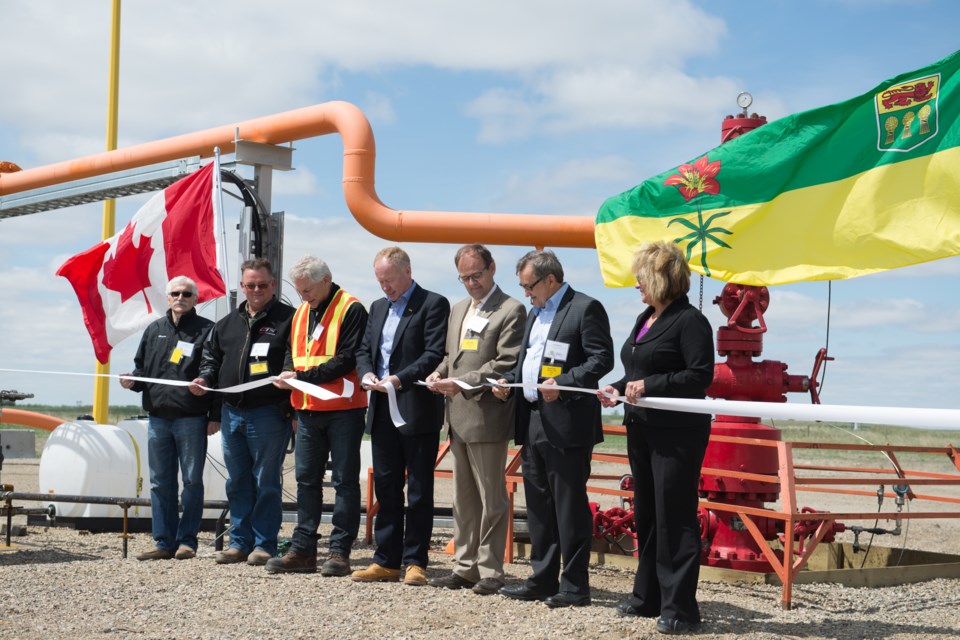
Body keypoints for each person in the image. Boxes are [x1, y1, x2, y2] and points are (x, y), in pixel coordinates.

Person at [598, 241, 714, 635]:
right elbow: (635, 368)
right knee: (646, 514)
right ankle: (646, 597)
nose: (637, 286)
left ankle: (680, 608)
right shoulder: (646, 317)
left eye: (642, 279)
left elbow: (699, 377)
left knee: (675, 518)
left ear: (663, 279)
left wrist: (649, 385)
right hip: (642, 428)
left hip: (676, 435)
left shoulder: (691, 321)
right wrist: (616, 388)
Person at [492, 249, 613, 608]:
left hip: (566, 423)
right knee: (539, 507)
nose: (525, 293)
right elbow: (528, 363)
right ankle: (542, 579)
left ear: (550, 280)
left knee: (568, 507)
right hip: (531, 418)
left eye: (529, 286)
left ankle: (575, 587)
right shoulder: (535, 313)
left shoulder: (585, 308)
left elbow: (601, 358)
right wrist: (507, 381)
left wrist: (564, 381)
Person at [425, 244, 525, 595]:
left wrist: (461, 383)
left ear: (492, 268)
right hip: (457, 417)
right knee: (463, 498)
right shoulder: (458, 310)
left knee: (491, 498)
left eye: (477, 275)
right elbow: (451, 356)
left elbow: (504, 362)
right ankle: (464, 566)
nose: (471, 283)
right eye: (464, 278)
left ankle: (491, 569)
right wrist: (437, 376)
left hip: (487, 416)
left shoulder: (512, 309)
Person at [352, 246, 449, 586]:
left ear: (407, 271)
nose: (385, 288)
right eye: (380, 281)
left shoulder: (433, 303)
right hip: (381, 410)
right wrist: (366, 374)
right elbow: (365, 349)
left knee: (419, 490)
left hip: (416, 409)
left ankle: (415, 561)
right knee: (388, 487)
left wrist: (399, 379)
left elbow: (433, 353)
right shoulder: (377, 307)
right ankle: (386, 559)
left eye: (390, 280)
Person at [266, 256, 368, 577]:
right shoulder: (301, 312)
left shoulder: (351, 308)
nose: (303, 297)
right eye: (299, 292)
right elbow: (290, 353)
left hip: (344, 408)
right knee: (306, 480)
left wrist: (301, 376)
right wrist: (287, 373)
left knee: (344, 482)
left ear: (326, 281)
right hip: (307, 408)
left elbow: (348, 358)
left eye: (307, 290)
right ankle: (304, 548)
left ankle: (340, 550)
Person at [190, 257, 295, 566]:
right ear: (242, 286)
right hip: (232, 412)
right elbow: (211, 360)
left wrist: (289, 386)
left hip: (269, 413)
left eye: (262, 285)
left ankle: (264, 544)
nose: (256, 290)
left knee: (266, 481)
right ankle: (239, 542)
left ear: (273, 285)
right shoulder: (226, 324)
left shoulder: (289, 319)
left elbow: (293, 359)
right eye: (250, 285)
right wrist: (204, 379)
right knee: (237, 480)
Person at [121, 276, 220, 561]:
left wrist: (215, 416)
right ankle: (163, 542)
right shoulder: (154, 330)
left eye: (187, 293)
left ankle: (187, 541)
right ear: (167, 298)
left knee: (192, 482)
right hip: (158, 419)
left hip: (191, 418)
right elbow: (143, 370)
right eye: (175, 293)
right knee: (160, 482)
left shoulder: (207, 331)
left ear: (195, 299)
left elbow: (215, 374)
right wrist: (133, 381)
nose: (180, 297)